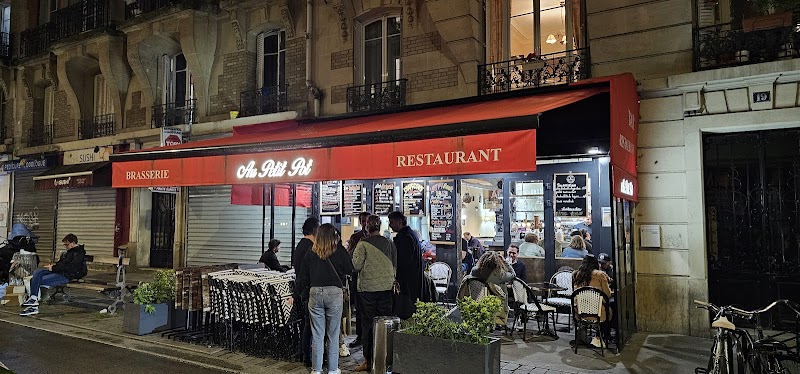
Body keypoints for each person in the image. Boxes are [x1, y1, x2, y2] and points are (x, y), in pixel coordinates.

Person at [295, 224, 353, 374]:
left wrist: (299, 294)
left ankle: (316, 369)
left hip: (315, 294)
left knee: (317, 335)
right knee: (333, 334)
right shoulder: (339, 250)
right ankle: (333, 369)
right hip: (334, 293)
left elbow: (303, 277)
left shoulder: (311, 251)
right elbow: (349, 268)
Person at [351, 215, 397, 372]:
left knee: (368, 325)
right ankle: (385, 359)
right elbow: (395, 265)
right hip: (386, 289)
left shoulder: (362, 244)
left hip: (368, 291)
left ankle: (368, 361)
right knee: (385, 324)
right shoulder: (390, 243)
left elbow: (356, 265)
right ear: (380, 226)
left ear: (366, 227)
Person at [20, 234, 86, 316]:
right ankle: (33, 299)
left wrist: (54, 268)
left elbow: (71, 268)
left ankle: (34, 306)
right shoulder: (70, 252)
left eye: (67, 244)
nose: (65, 246)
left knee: (37, 280)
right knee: (38, 272)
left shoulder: (79, 253)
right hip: (59, 271)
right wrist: (52, 266)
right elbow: (61, 264)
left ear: (72, 243)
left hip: (66, 275)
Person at [293, 217, 319, 367]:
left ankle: (304, 354)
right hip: (308, 290)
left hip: (303, 290)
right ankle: (307, 356)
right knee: (310, 325)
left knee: (307, 324)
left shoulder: (300, 245)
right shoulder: (310, 247)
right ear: (315, 230)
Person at [388, 211, 423, 319]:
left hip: (408, 282)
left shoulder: (405, 237)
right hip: (413, 279)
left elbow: (403, 261)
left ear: (399, 222)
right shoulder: (410, 234)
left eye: (391, 222)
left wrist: (396, 277)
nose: (390, 225)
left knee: (406, 310)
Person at [572, 254, 612, 348]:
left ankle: (584, 332)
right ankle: (602, 336)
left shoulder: (577, 274)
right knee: (611, 308)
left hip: (580, 312)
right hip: (598, 313)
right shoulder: (600, 275)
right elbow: (607, 294)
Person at [467, 251, 516, 325]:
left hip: (477, 300)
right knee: (502, 286)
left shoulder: (475, 271)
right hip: (495, 303)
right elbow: (513, 274)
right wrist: (504, 261)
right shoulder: (499, 274)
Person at [346, 212, 371, 349]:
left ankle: (369, 337)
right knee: (360, 309)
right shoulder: (356, 237)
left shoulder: (375, 238)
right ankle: (360, 336)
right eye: (362, 220)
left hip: (372, 277)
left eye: (366, 221)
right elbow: (349, 256)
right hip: (358, 277)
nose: (364, 223)